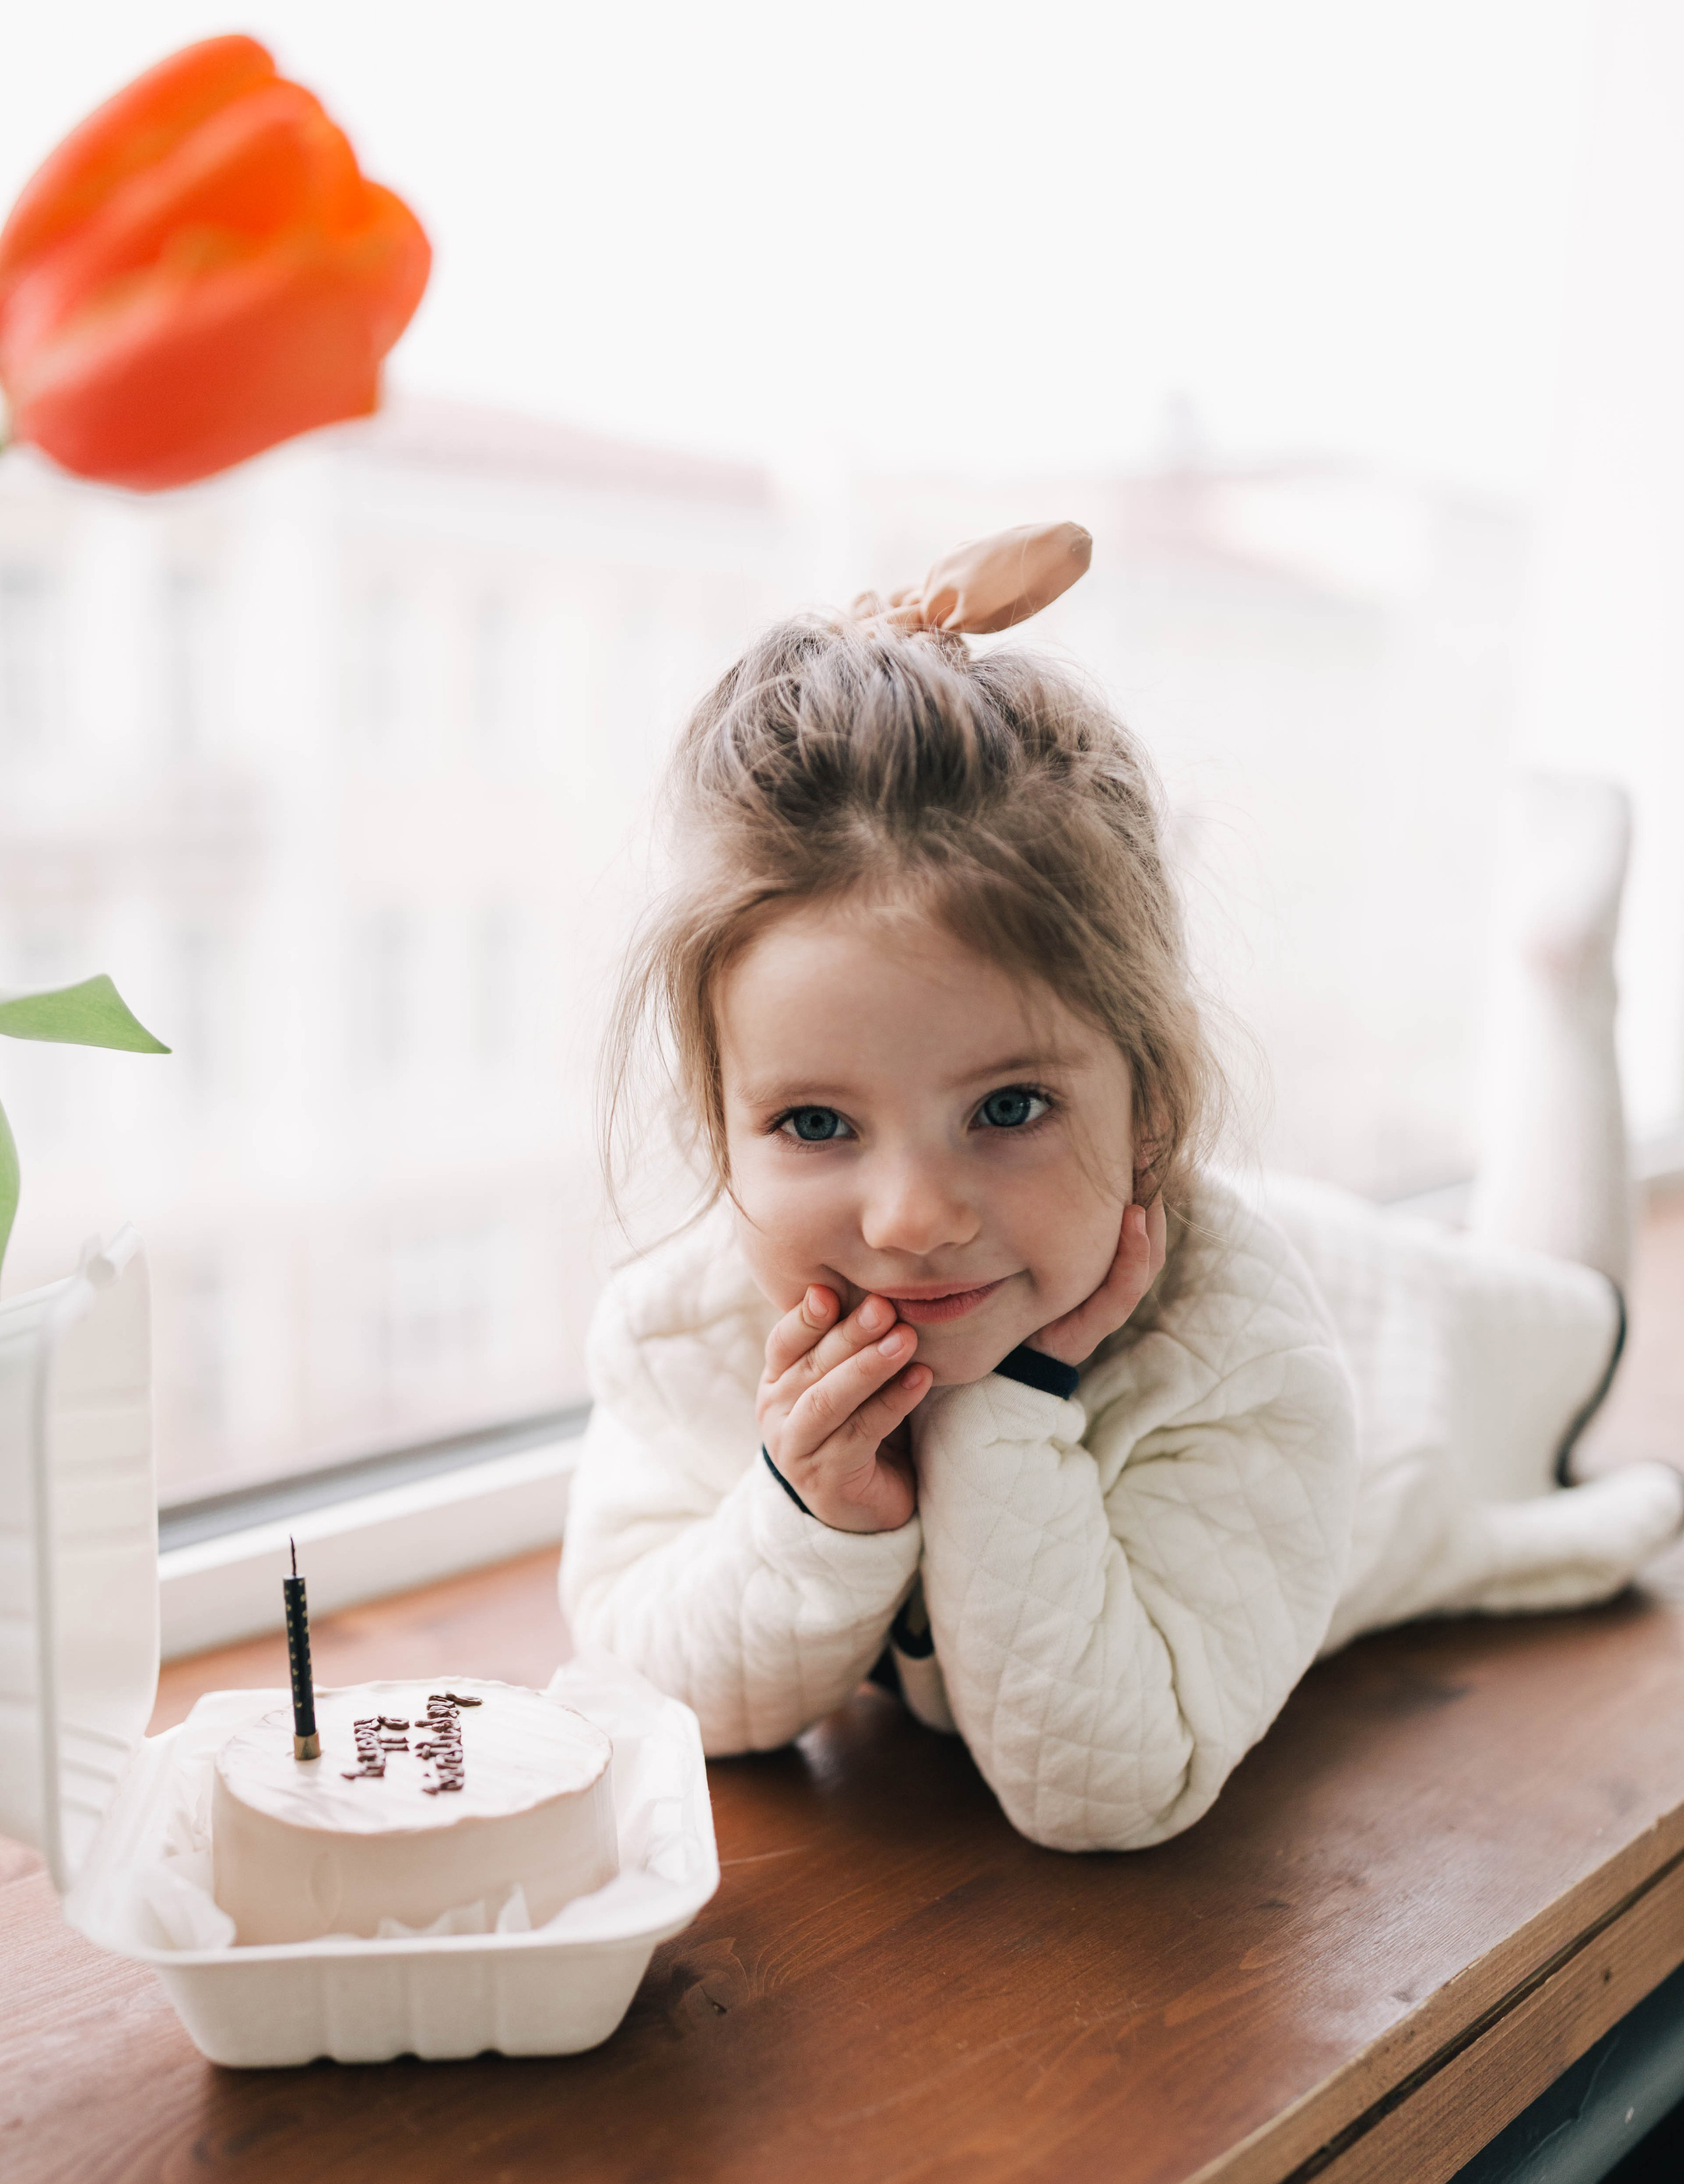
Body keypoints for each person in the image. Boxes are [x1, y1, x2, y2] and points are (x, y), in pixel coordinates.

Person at [560, 524, 1683, 1853]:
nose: (911, 1219)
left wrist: (1008, 1411)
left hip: (1388, 1369)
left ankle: (1560, 974)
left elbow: (1112, 1785)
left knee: (1560, 1313)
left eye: (1008, 1108)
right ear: (719, 1126)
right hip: (1101, 1246)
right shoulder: (682, 1331)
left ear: (1152, 1104)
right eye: (813, 1122)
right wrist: (807, 1514)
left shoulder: (1246, 1360)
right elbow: (647, 1681)